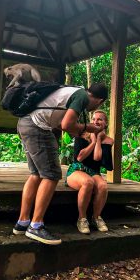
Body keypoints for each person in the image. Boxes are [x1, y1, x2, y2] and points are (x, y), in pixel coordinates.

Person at [13, 83, 108, 245]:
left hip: (25, 123)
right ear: (99, 101)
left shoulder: (74, 91)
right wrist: (89, 127)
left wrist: (81, 131)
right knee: (52, 175)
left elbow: (59, 123)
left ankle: (22, 222)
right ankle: (36, 225)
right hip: (37, 128)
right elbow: (66, 125)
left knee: (36, 174)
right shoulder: (82, 97)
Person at [66, 110, 114, 234]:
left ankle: (96, 217)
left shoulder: (108, 140)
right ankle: (82, 219)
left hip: (93, 171)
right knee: (88, 182)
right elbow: (79, 158)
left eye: (99, 119)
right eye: (93, 119)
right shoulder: (81, 134)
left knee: (103, 186)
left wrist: (98, 139)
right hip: (77, 168)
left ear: (106, 123)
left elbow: (98, 158)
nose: (95, 121)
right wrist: (92, 142)